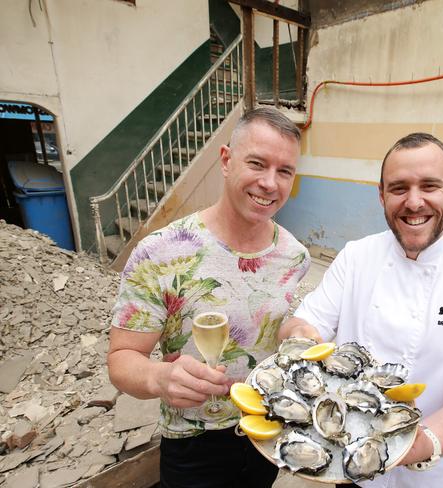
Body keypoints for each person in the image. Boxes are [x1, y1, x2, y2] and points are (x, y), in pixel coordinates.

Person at [279, 132, 443, 488]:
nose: (414, 202)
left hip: (433, 473)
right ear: (382, 195)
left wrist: (408, 445)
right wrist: (300, 339)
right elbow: (303, 323)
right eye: (399, 188)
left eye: (430, 186)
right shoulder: (356, 256)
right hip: (347, 464)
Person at [107, 108, 310, 488]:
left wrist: (295, 329)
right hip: (192, 442)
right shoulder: (162, 252)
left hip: (265, 430)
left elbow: (269, 325)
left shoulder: (295, 256)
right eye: (257, 164)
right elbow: (121, 359)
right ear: (226, 161)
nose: (270, 183)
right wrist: (158, 377)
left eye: (284, 171)